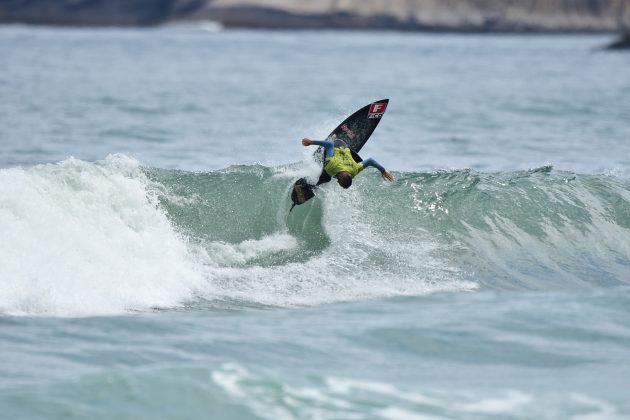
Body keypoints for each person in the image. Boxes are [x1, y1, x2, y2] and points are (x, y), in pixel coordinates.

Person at [302, 138, 395, 188]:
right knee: (326, 177)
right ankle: (312, 186)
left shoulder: (354, 170)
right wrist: (310, 142)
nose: (337, 182)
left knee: (358, 163)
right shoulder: (331, 166)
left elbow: (370, 160)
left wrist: (383, 171)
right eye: (339, 182)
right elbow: (329, 144)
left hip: (346, 148)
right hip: (336, 144)